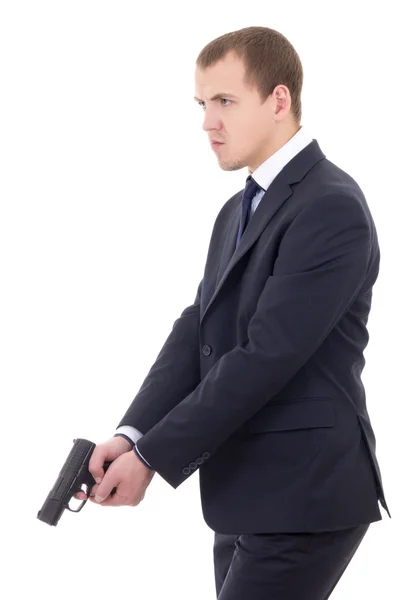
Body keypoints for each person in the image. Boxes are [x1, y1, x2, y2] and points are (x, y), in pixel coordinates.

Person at [75, 26, 390, 599]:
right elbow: (201, 328)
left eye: (224, 101)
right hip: (246, 490)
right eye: (201, 103)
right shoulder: (237, 209)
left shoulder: (330, 208)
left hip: (305, 493)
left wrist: (152, 457)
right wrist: (131, 432)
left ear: (278, 100)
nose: (207, 123)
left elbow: (266, 356)